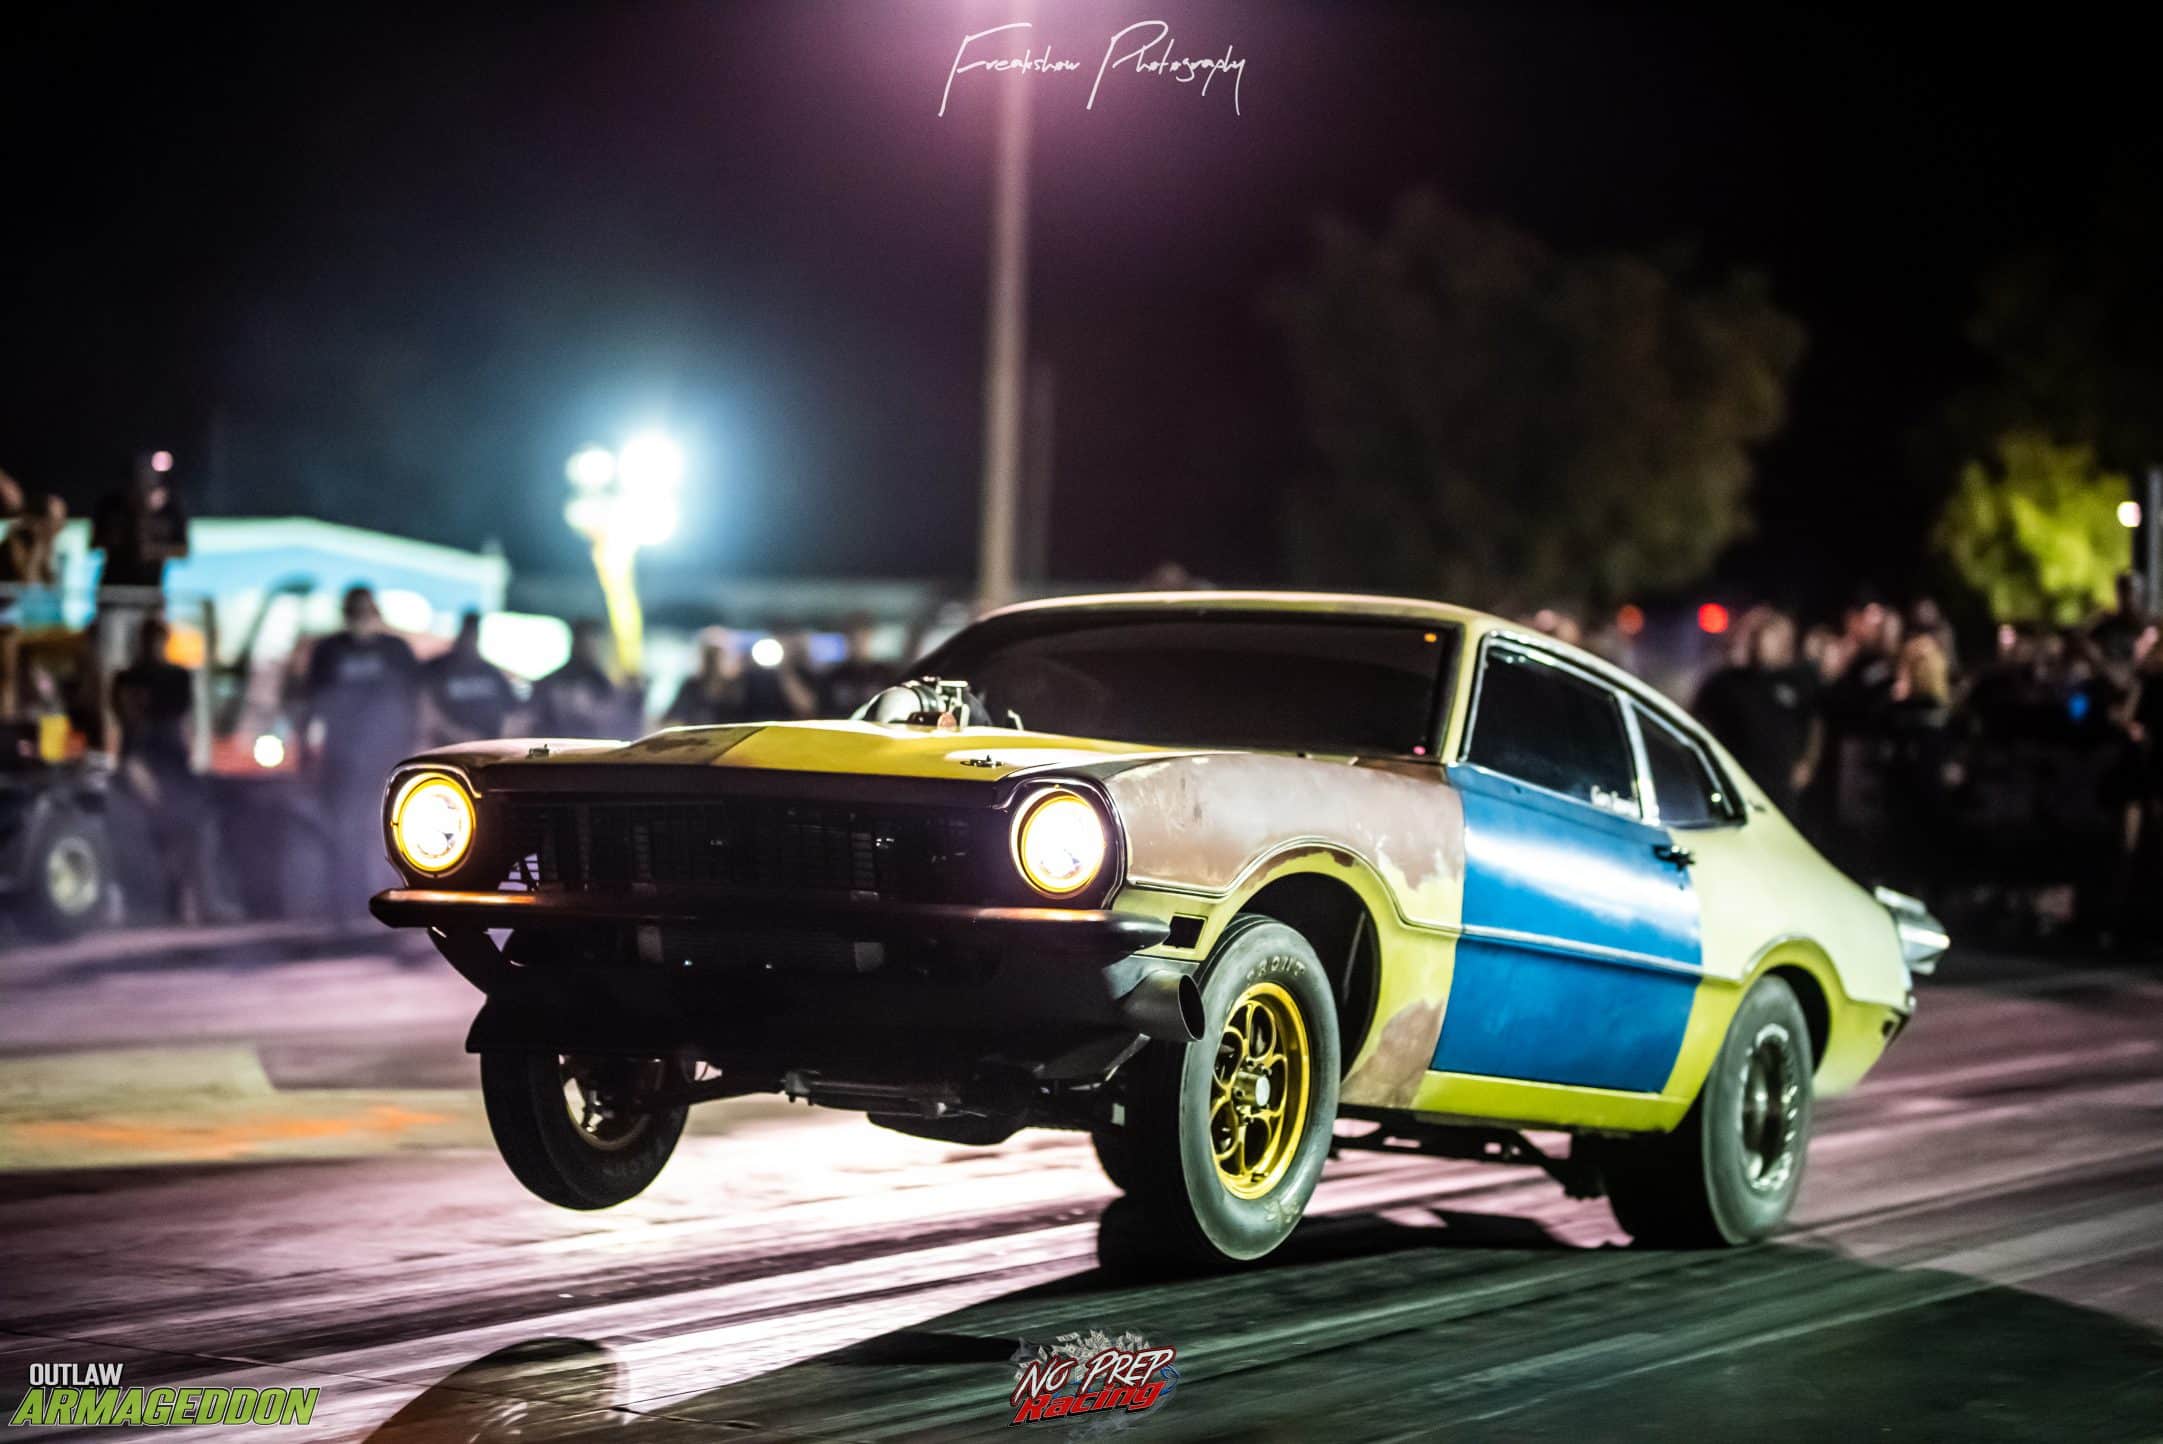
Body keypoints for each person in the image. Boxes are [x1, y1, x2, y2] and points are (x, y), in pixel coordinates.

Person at [301, 587, 420, 911]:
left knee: (388, 829)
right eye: (356, 611)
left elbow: (415, 701)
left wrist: (414, 747)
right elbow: (311, 704)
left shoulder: (396, 651)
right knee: (344, 828)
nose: (362, 618)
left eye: (366, 611)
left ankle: (391, 896)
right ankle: (347, 901)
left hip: (388, 756)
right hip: (343, 757)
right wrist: (306, 752)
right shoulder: (329, 651)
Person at [111, 615, 230, 921]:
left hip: (173, 760)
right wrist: (134, 764)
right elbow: (128, 722)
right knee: (159, 835)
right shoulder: (129, 678)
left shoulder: (175, 676)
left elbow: (184, 720)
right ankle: (175, 904)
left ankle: (200, 901)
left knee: (194, 829)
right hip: (143, 759)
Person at [1692, 609, 1822, 817]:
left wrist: (1808, 762)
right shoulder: (1729, 683)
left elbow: (1815, 723)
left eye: (1774, 637)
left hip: (1780, 784)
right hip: (1738, 780)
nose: (1764, 644)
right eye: (1760, 636)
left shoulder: (1800, 682)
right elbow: (1700, 719)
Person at [419, 611, 518, 745]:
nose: (470, 638)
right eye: (468, 632)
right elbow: (426, 709)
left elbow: (512, 712)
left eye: (473, 633)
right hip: (446, 748)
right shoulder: (436, 669)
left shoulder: (491, 673)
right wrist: (458, 734)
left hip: (487, 747)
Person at [531, 619, 640, 737]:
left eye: (596, 643)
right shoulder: (553, 685)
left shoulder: (604, 684)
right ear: (575, 643)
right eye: (588, 642)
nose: (593, 648)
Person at [663, 629, 750, 727]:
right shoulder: (692, 685)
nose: (713, 661)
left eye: (717, 654)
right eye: (710, 654)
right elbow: (674, 717)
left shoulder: (738, 685)